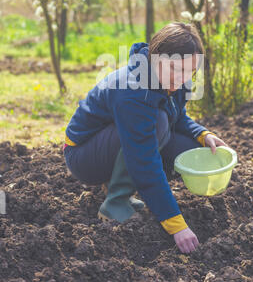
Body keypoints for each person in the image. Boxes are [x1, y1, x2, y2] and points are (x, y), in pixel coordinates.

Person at [63, 22, 228, 254]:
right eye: (175, 69)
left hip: (111, 142)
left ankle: (118, 188)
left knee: (188, 146)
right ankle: (115, 203)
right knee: (157, 125)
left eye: (189, 72)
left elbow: (177, 116)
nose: (182, 79)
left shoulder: (173, 80)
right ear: (155, 57)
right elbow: (144, 161)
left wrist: (202, 133)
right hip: (83, 156)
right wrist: (175, 224)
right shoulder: (134, 91)